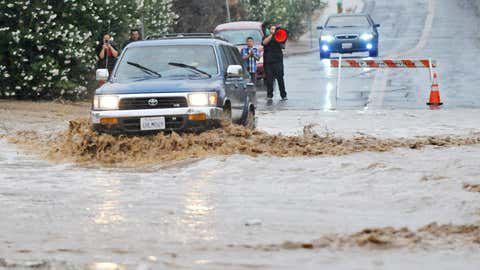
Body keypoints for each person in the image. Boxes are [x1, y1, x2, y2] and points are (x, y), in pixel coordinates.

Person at [262, 24, 287, 101]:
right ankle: (269, 95)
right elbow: (264, 43)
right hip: (268, 62)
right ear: (269, 30)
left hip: (278, 61)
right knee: (269, 79)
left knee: (280, 79)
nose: (273, 30)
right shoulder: (266, 37)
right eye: (272, 29)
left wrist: (278, 38)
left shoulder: (279, 35)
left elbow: (283, 46)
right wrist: (272, 36)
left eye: (275, 29)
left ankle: (283, 95)